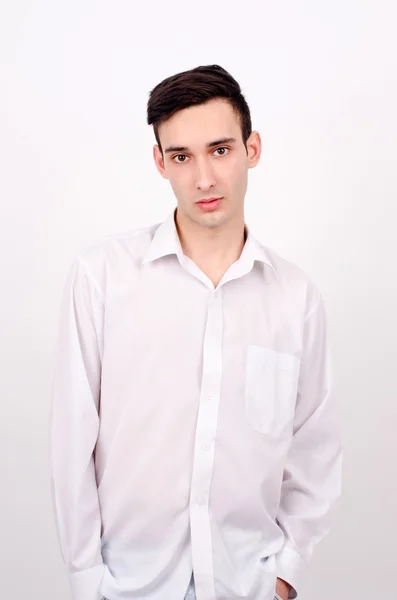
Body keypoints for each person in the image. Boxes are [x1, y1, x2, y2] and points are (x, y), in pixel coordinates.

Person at [49, 64, 342, 600]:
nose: (204, 177)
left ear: (252, 148)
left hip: (247, 586)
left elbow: (314, 449)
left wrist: (285, 576)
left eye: (221, 150)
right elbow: (72, 444)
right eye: (181, 156)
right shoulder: (102, 277)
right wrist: (87, 581)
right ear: (160, 162)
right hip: (127, 588)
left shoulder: (296, 297)